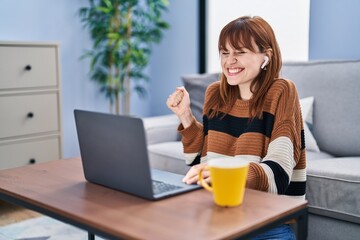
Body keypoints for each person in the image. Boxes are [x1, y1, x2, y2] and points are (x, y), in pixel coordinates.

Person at [166, 16, 305, 239]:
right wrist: (185, 116)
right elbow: (199, 166)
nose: (230, 61)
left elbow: (279, 173)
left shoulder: (282, 91)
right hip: (219, 215)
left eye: (240, 52)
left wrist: (225, 173)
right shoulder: (215, 94)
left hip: (266, 220)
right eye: (224, 52)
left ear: (266, 56)